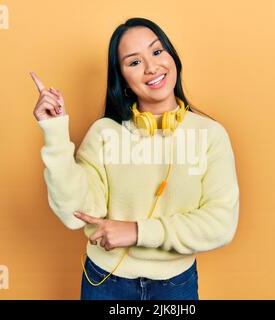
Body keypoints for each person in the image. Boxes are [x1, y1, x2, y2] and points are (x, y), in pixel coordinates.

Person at [31, 17, 240, 300]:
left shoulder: (211, 135)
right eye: (134, 62)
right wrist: (55, 132)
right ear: (124, 81)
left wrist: (138, 232)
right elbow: (74, 213)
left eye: (156, 52)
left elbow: (221, 223)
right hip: (104, 282)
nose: (152, 67)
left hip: (175, 286)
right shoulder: (104, 133)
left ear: (172, 58)